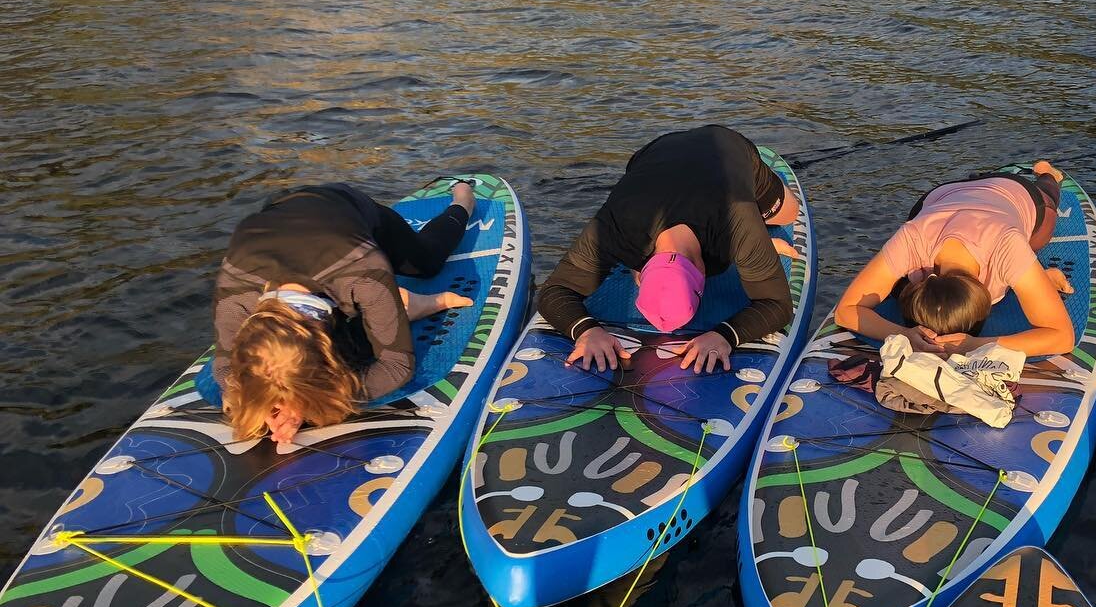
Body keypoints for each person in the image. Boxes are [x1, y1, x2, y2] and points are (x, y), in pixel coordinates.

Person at [213, 181, 477, 444]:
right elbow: (225, 368)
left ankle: (463, 199)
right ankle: (401, 307)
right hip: (278, 220)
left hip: (345, 209)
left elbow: (397, 366)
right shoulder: (235, 295)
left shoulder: (363, 274)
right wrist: (260, 400)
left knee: (427, 263)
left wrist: (312, 402)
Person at [537, 124, 799, 375]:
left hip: (725, 146)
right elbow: (554, 291)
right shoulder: (615, 225)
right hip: (655, 152)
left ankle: (764, 234)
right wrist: (585, 330)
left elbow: (779, 305)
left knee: (788, 213)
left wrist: (726, 336)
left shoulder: (737, 220)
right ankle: (756, 249)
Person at [834, 161, 1075, 358]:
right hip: (945, 195)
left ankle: (1048, 175)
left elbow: (1062, 337)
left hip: (1018, 193)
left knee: (1048, 200)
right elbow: (845, 312)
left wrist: (976, 344)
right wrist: (903, 334)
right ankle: (1033, 281)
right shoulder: (912, 238)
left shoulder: (1007, 247)